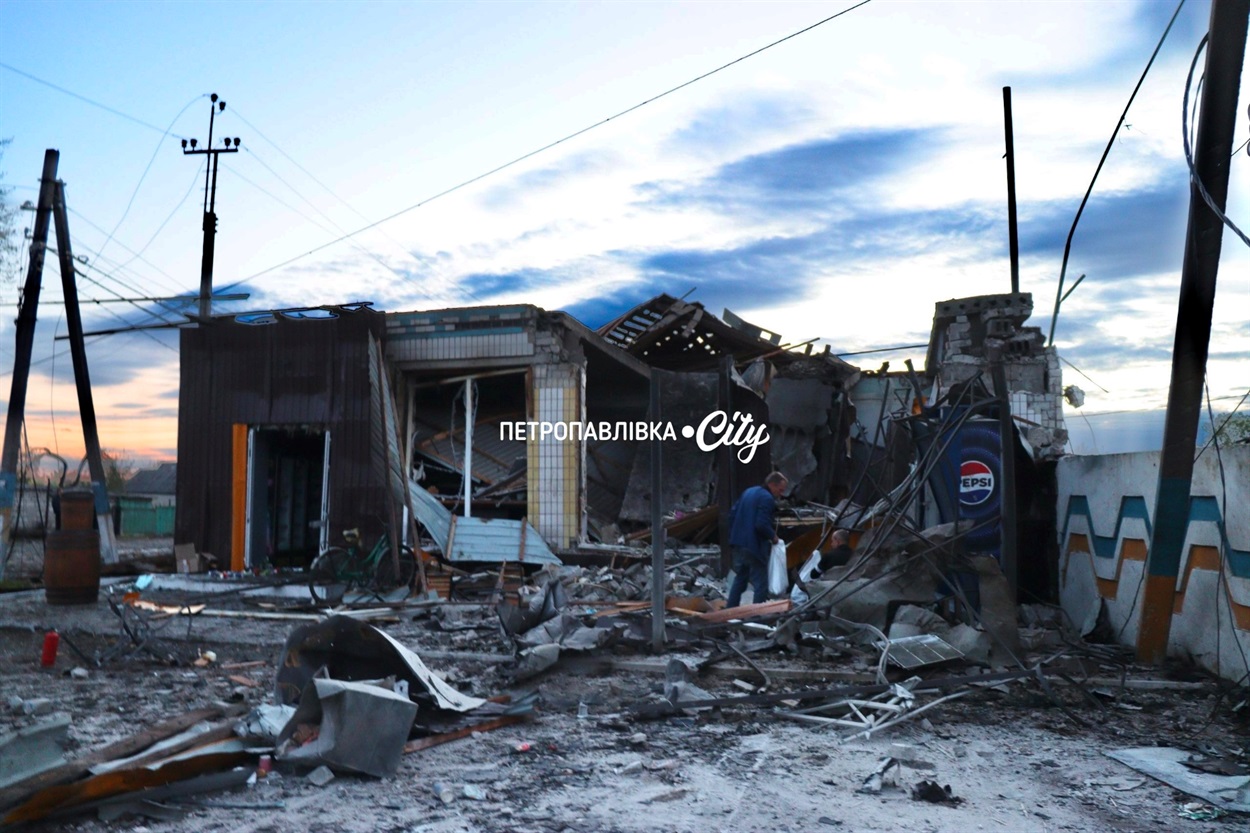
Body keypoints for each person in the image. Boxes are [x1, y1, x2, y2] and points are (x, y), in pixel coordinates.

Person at [726, 471, 787, 608]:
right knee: (761, 583)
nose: (781, 494)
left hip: (738, 542)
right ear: (772, 484)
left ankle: (730, 610)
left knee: (741, 578)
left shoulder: (749, 492)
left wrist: (734, 536)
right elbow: (761, 524)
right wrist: (773, 537)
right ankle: (757, 615)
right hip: (753, 545)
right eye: (780, 490)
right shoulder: (767, 498)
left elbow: (732, 515)